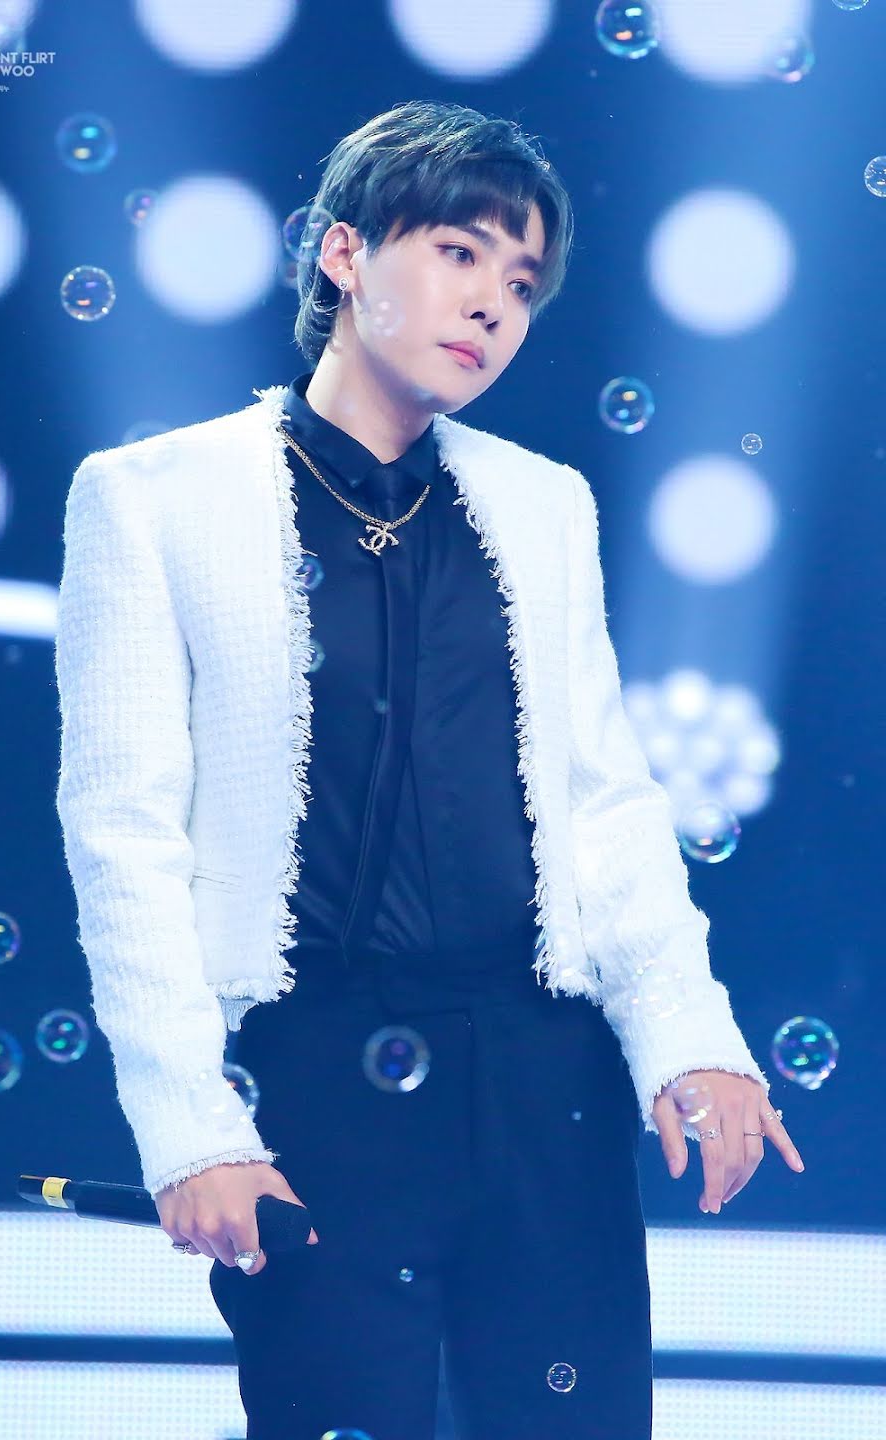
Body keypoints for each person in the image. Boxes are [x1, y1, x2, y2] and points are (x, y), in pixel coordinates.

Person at [54, 101, 804, 1440]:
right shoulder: (153, 497)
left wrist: (692, 1042)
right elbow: (124, 835)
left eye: (520, 280)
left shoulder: (543, 504)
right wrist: (191, 1128)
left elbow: (606, 806)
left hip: (544, 1080)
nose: (492, 305)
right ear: (344, 253)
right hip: (317, 1079)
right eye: (460, 253)